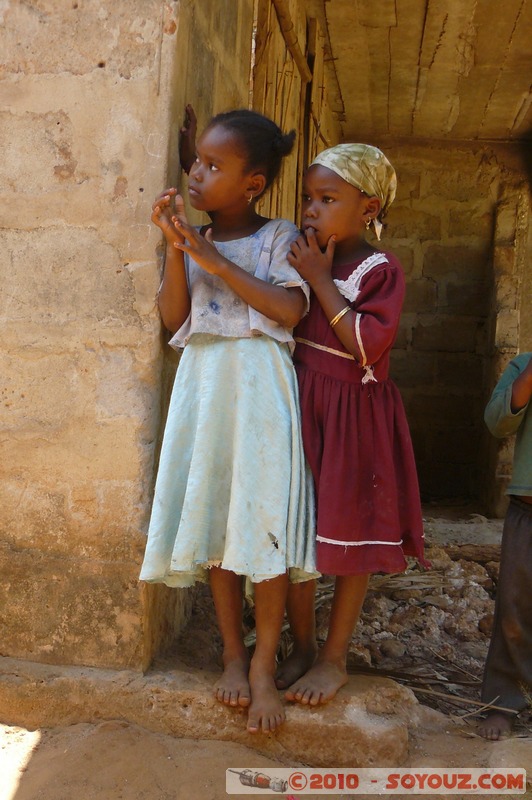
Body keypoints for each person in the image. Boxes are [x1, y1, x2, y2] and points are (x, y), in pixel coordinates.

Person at [139, 108, 316, 734]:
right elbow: (173, 318)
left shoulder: (278, 237)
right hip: (206, 386)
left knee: (261, 520)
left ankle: (266, 664)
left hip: (261, 390)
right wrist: (177, 247)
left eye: (214, 166)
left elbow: (290, 309)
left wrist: (212, 260)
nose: (196, 174)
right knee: (219, 519)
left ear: (254, 184)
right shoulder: (196, 238)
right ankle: (233, 655)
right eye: (196, 161)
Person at [274, 143, 428, 705]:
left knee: (349, 530)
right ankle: (300, 645)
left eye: (328, 199)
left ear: (369, 206)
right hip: (299, 401)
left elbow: (367, 345)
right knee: (297, 529)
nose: (311, 209)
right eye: (309, 198)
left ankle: (334, 658)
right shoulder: (300, 251)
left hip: (351, 415)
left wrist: (318, 279)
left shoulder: (379, 270)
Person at [478, 353, 532, 740]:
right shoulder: (523, 365)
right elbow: (497, 422)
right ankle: (502, 701)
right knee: (513, 609)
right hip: (526, 510)